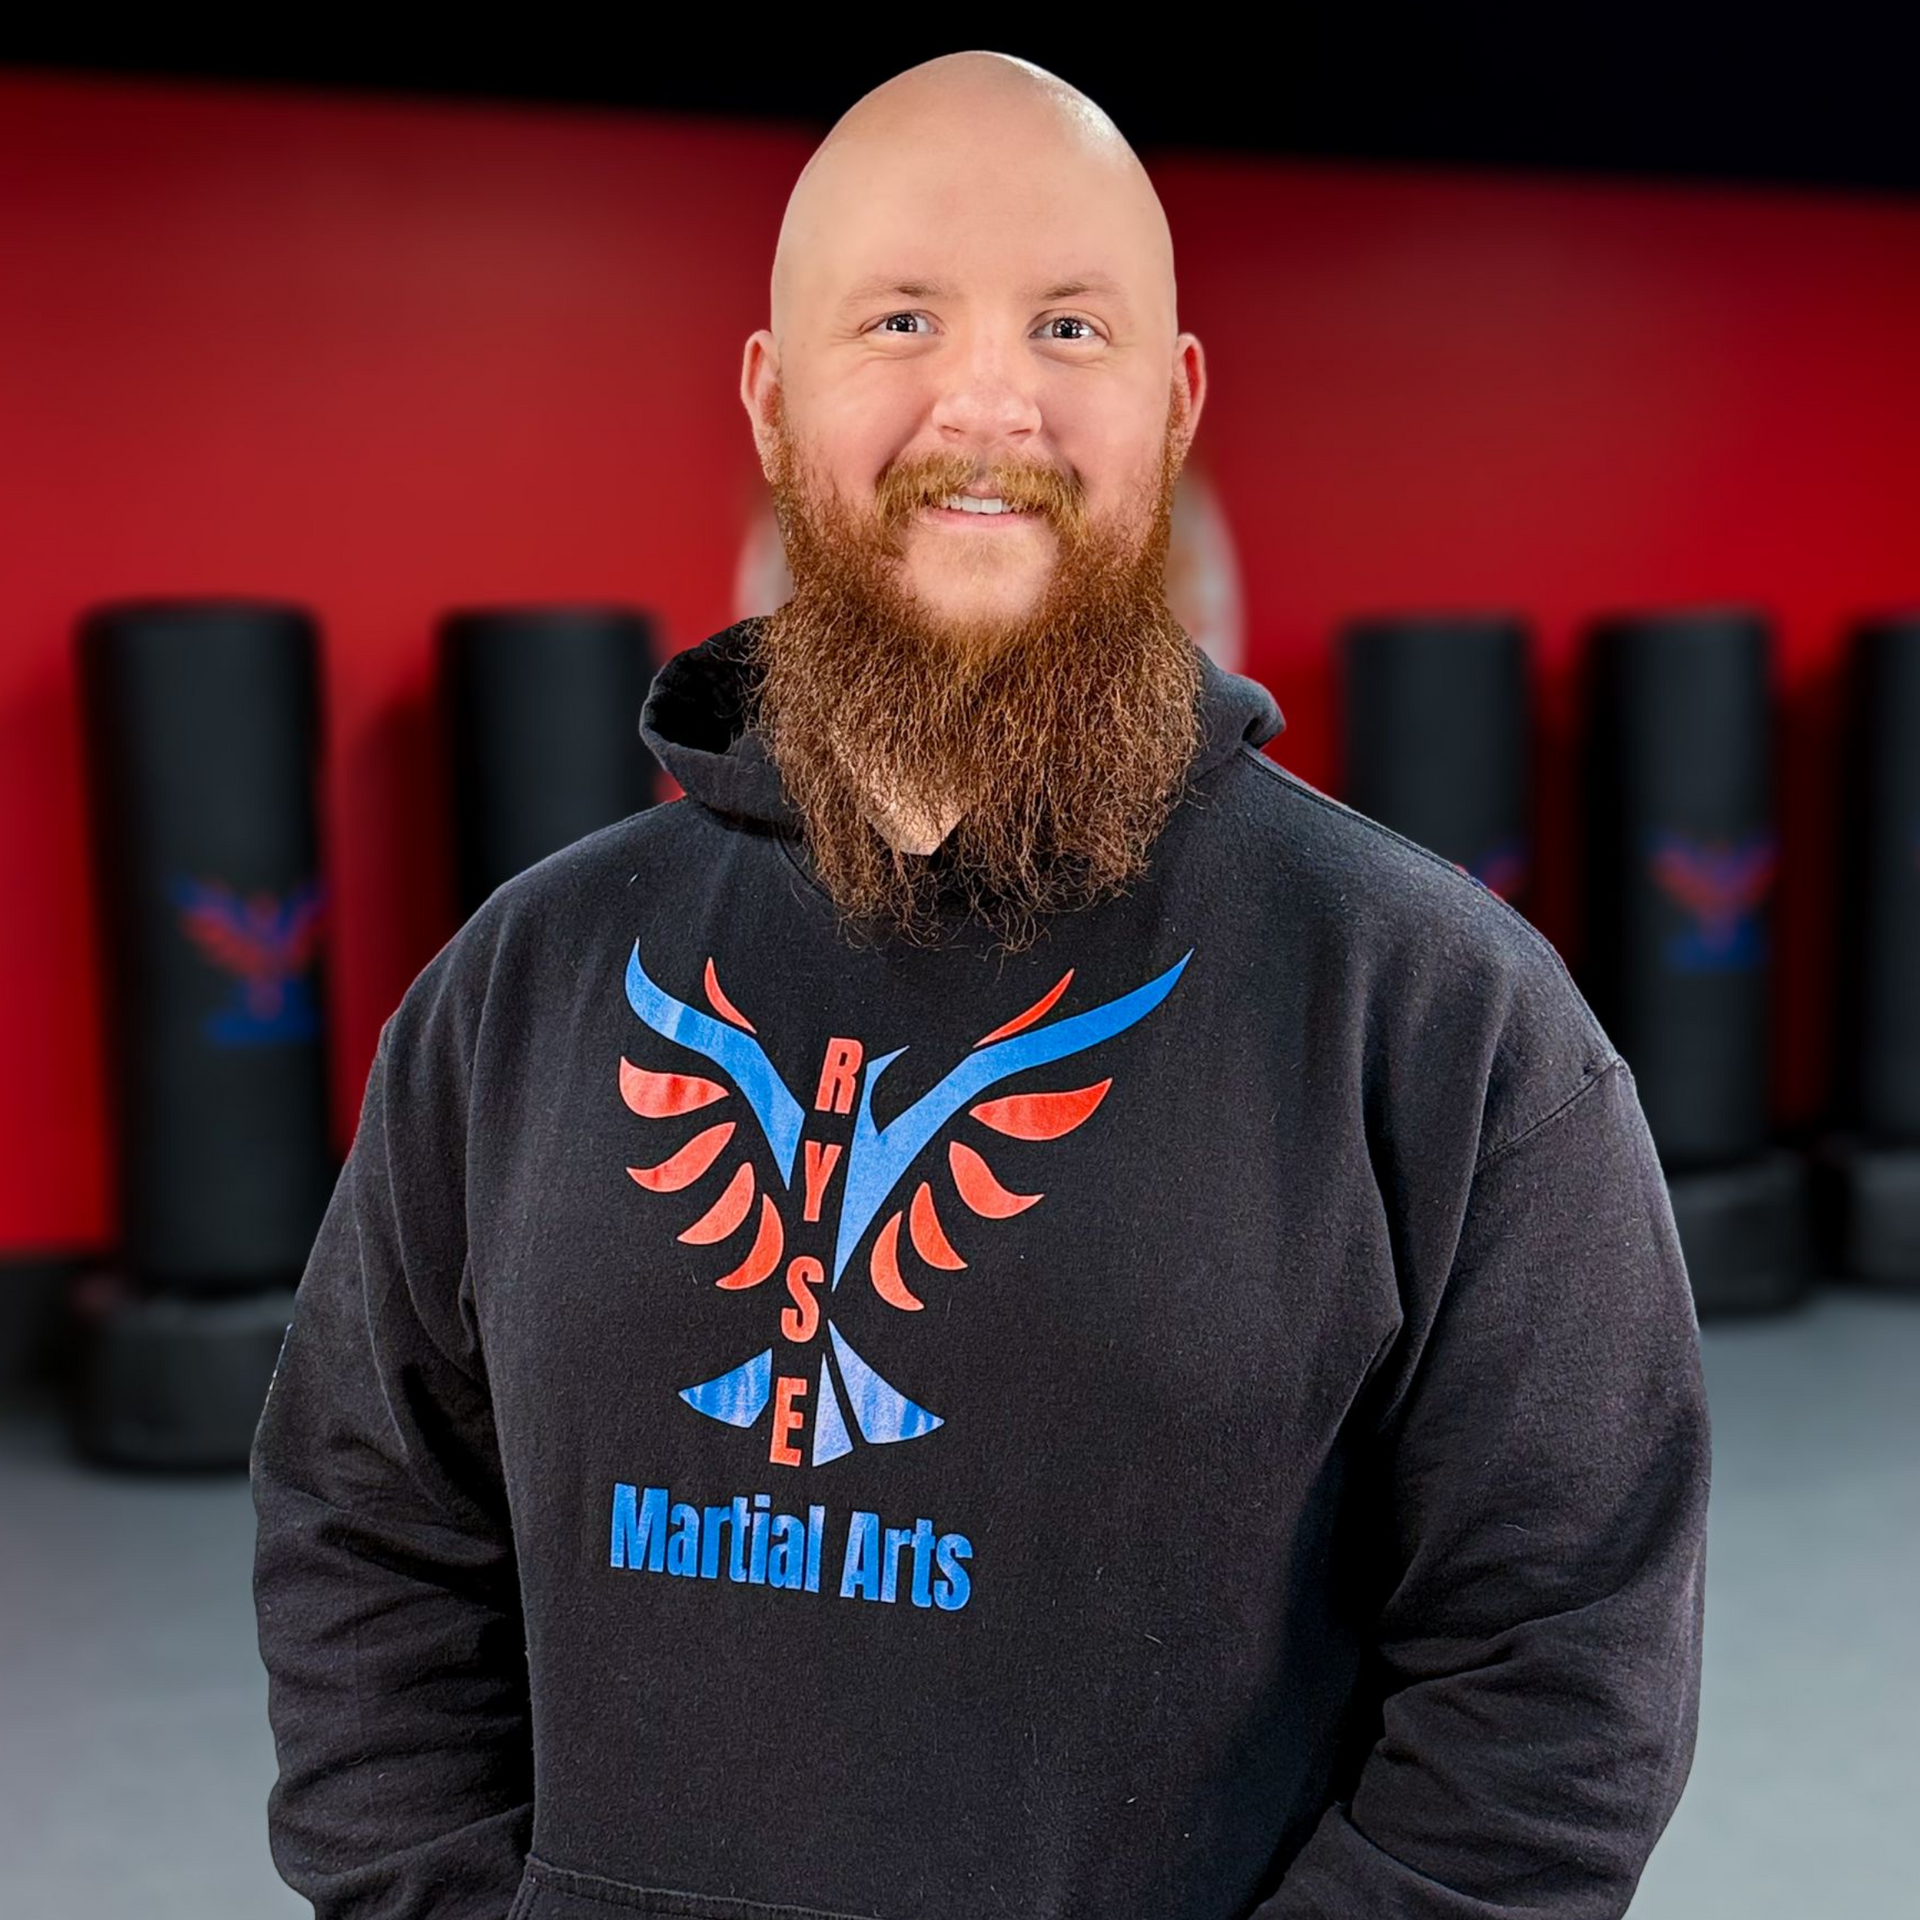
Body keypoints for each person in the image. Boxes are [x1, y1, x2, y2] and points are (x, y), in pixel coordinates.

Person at [251, 50, 1710, 1920]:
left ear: (1175, 407)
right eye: (903, 315)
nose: (989, 398)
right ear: (775, 403)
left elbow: (1557, 1679)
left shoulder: (1443, 1024)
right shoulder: (516, 990)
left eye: (1072, 324)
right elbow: (365, 1535)